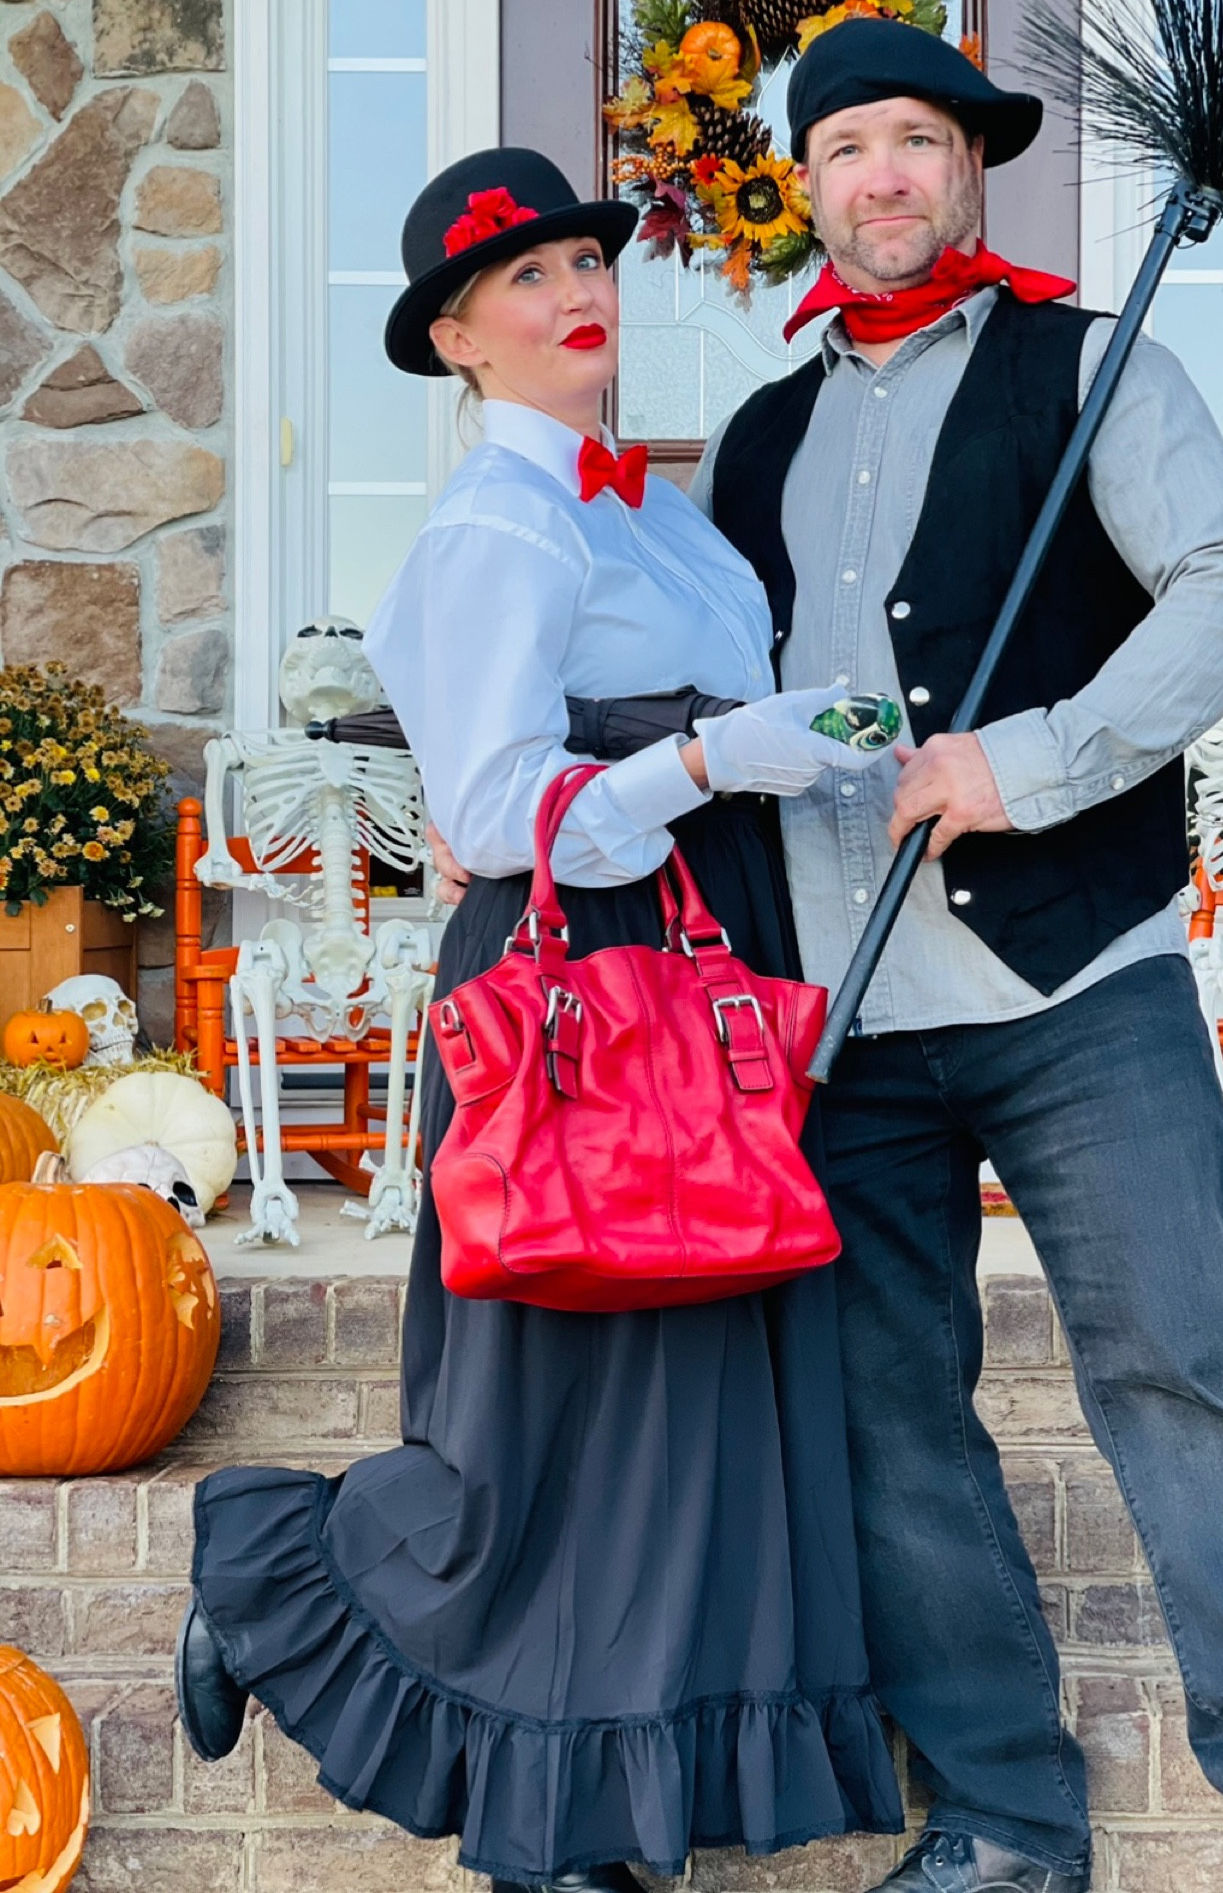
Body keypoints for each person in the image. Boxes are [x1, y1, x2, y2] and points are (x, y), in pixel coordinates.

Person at [433, 25, 1223, 1893]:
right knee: (886, 1419)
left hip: (1078, 988)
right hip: (837, 1013)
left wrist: (1027, 760)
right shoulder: (755, 440)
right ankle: (1009, 1820)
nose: (883, 178)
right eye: (845, 146)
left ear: (968, 167)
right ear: (812, 186)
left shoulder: (1090, 366)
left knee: (1180, 1370)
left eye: (915, 141)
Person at [176, 146, 905, 1893]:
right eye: (526, 279)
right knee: (545, 1415)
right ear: (457, 342)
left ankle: (595, 1815)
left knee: (680, 1411)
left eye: (589, 260)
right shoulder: (497, 519)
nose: (579, 292)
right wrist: (715, 754)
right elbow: (499, 809)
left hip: (699, 940)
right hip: (569, 971)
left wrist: (809, 743)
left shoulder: (648, 509)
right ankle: (271, 1588)